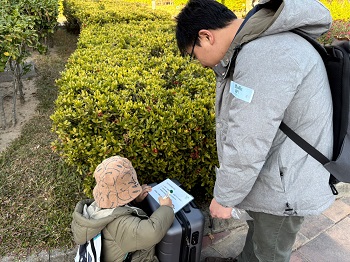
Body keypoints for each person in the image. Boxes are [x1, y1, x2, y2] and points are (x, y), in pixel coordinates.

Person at [175, 0, 335, 261]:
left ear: (206, 36)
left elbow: (248, 139)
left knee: (270, 251)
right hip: (280, 170)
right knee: (258, 231)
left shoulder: (264, 55)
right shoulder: (256, 45)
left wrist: (225, 198)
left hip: (287, 185)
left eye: (193, 54)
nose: (198, 63)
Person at [71, 155, 175, 262]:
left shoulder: (95, 208)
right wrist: (166, 208)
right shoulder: (121, 224)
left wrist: (135, 200)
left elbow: (119, 206)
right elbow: (152, 232)